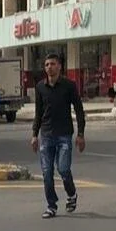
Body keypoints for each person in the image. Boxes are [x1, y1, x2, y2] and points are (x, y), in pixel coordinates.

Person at [30, 54, 86, 218]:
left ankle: (71, 194)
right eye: (46, 64)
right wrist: (34, 134)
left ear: (59, 66)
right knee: (47, 173)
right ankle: (51, 206)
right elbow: (38, 113)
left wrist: (80, 134)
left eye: (52, 64)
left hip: (64, 135)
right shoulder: (40, 87)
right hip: (46, 135)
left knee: (63, 169)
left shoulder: (69, 86)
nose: (49, 67)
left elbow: (79, 110)